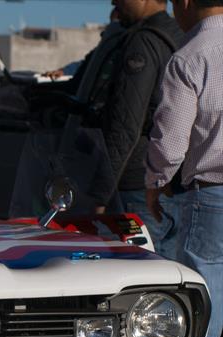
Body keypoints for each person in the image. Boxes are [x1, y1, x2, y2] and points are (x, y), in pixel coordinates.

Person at [145, 0, 223, 337]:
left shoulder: (192, 56)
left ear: (191, 2)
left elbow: (172, 142)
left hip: (211, 200)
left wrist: (155, 181)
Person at [91, 0, 183, 256]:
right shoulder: (183, 35)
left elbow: (124, 125)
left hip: (137, 184)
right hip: (178, 182)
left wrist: (99, 194)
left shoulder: (143, 41)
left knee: (140, 278)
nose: (113, 2)